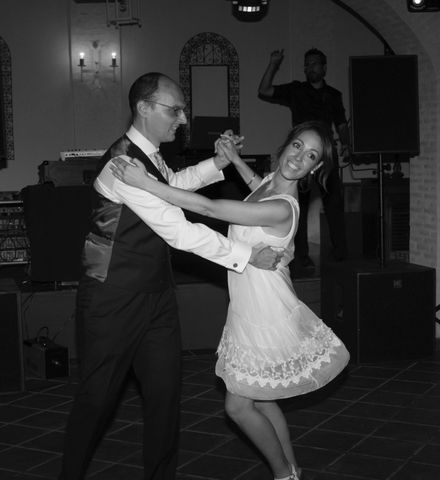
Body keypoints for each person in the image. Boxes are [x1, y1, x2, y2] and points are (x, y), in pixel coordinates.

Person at [60, 72, 287, 480]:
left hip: (156, 295)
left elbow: (170, 186)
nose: (182, 119)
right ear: (143, 108)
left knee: (165, 398)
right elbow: (177, 229)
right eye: (173, 109)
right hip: (112, 298)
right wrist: (247, 255)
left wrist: (216, 164)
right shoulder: (123, 162)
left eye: (182, 109)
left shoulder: (150, 158)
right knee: (96, 401)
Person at [111, 120, 350, 480]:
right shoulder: (271, 183)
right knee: (263, 398)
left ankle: (283, 473)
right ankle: (293, 472)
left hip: (265, 310)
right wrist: (235, 160)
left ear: (314, 169)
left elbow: (210, 209)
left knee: (238, 406)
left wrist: (147, 183)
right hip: (249, 303)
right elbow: (258, 186)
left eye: (311, 156)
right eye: (298, 146)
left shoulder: (283, 207)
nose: (300, 157)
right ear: (286, 145)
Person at [258, 48, 350, 273]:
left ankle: (341, 256)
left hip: (325, 158)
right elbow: (264, 90)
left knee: (334, 206)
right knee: (298, 204)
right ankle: (301, 257)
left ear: (324, 67)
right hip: (301, 159)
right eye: (307, 64)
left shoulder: (334, 95)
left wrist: (346, 143)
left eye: (315, 64)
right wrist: (274, 63)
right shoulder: (297, 90)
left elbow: (341, 124)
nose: (310, 68)